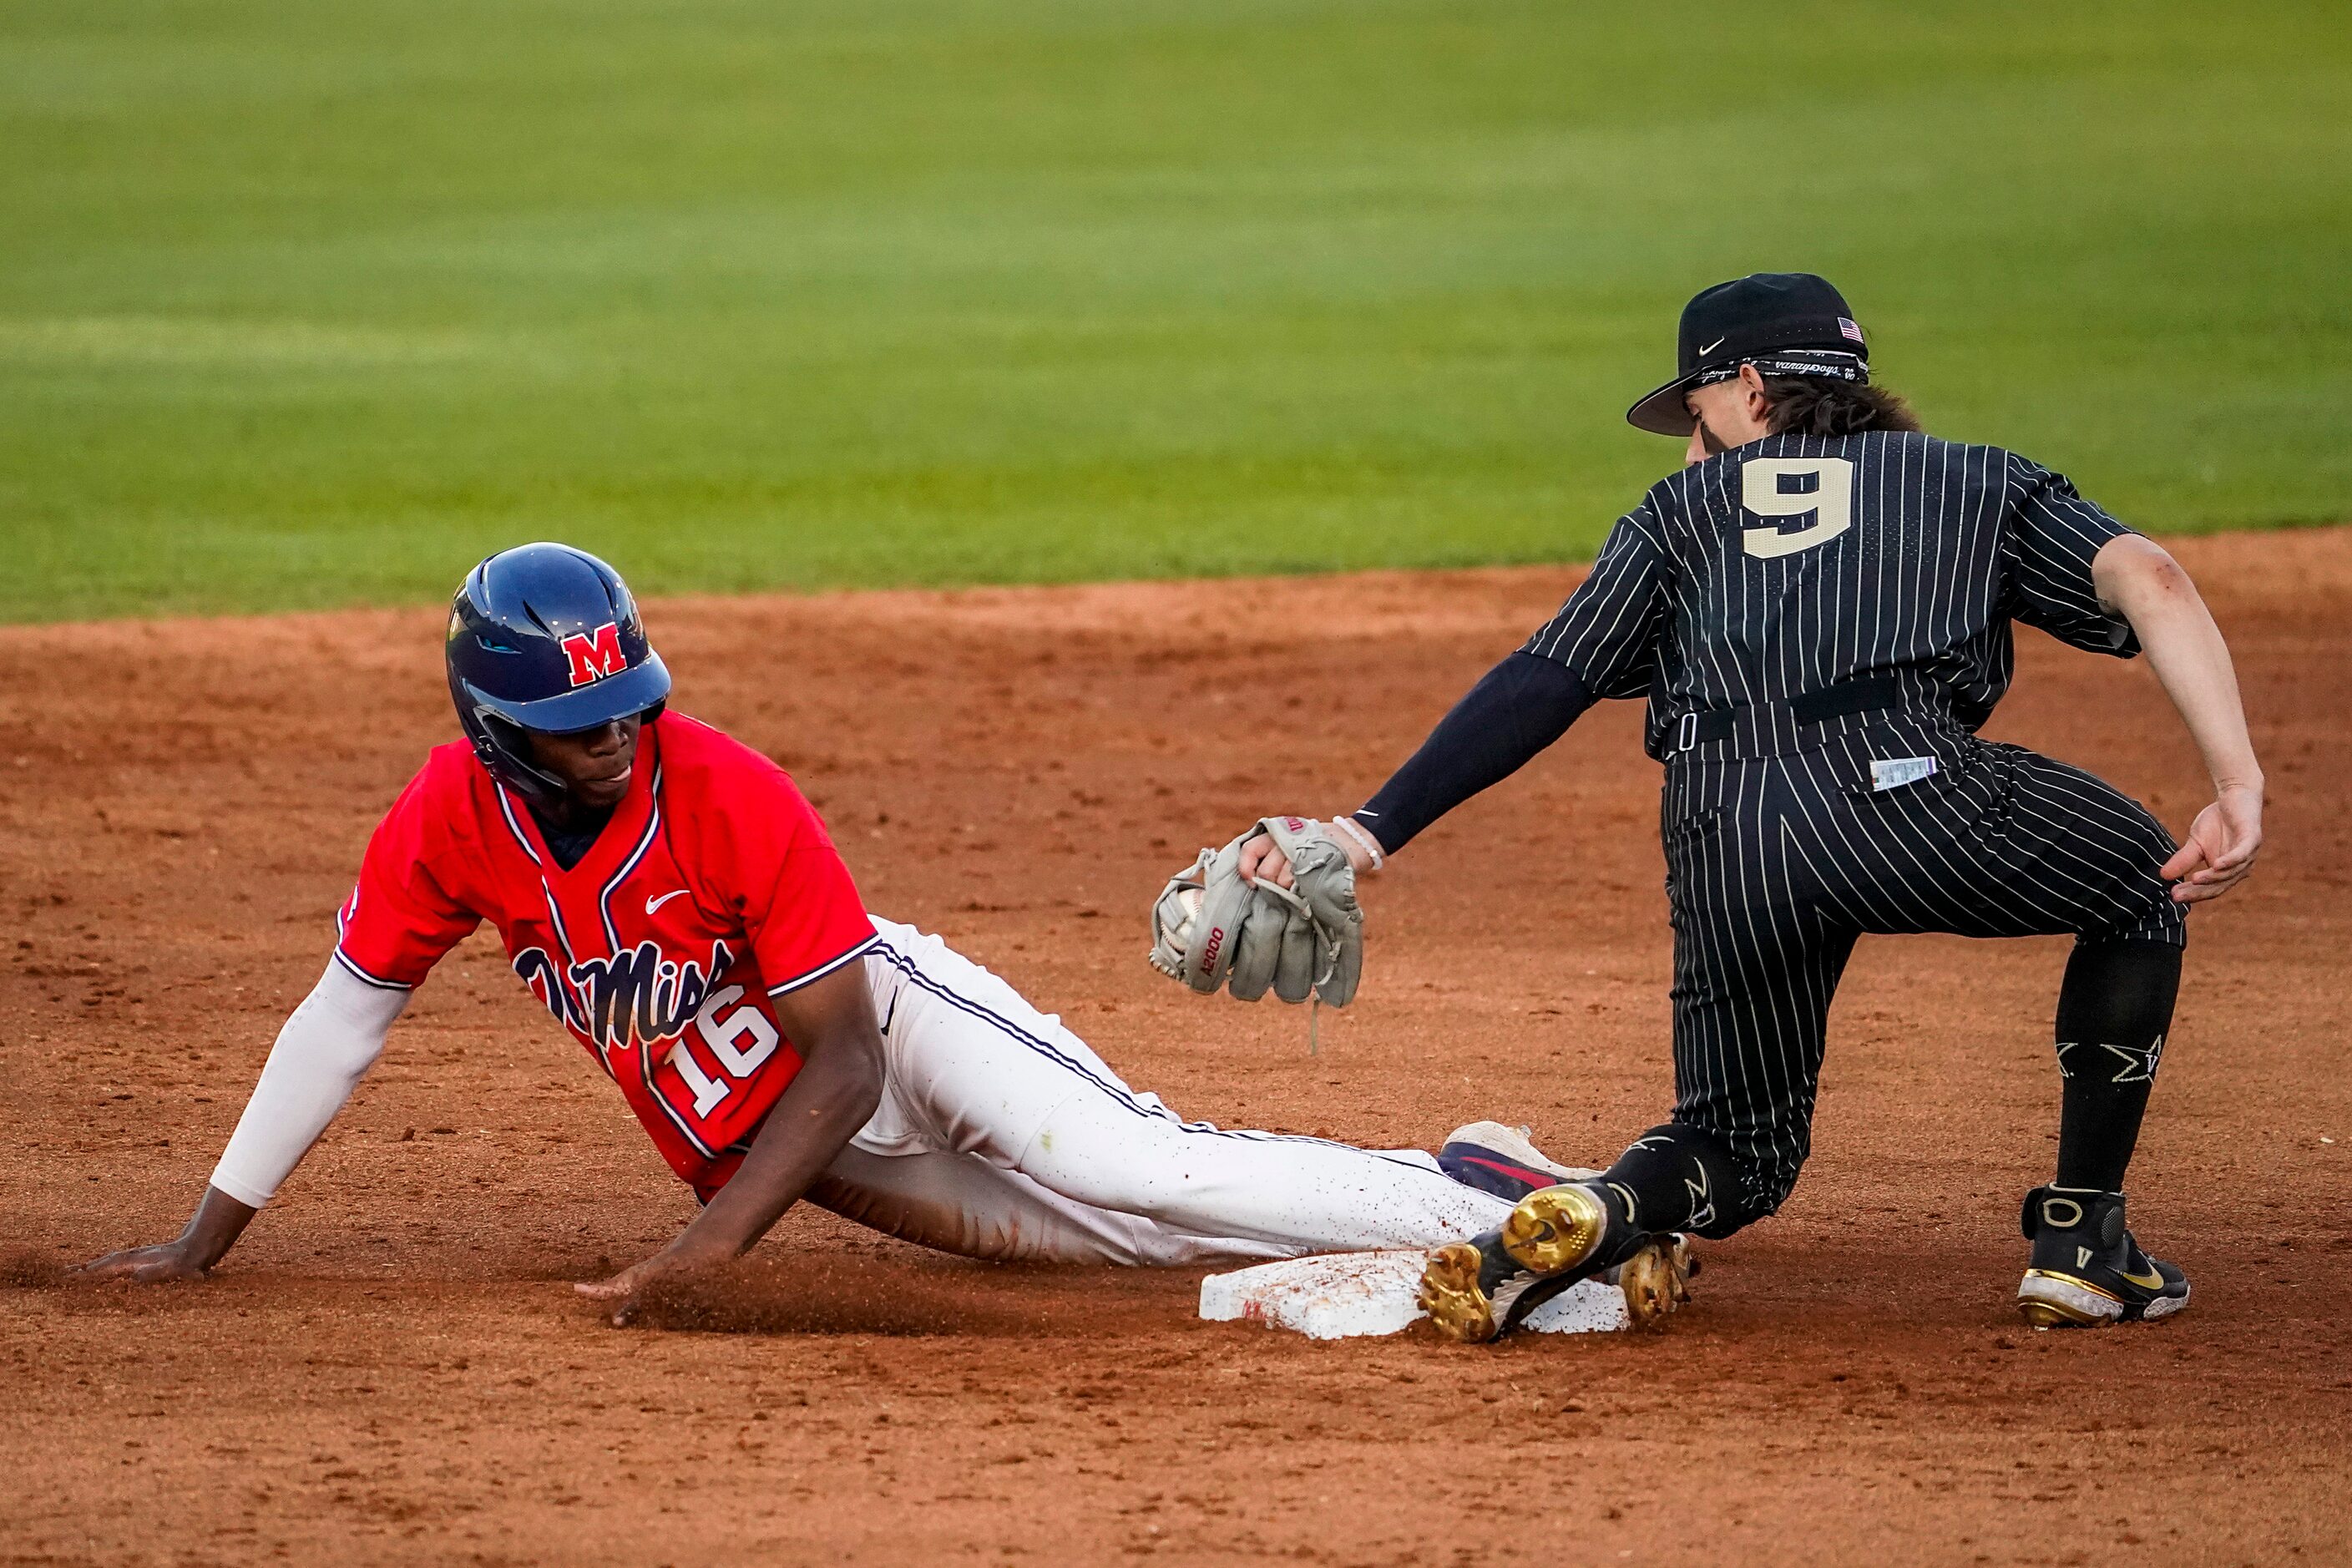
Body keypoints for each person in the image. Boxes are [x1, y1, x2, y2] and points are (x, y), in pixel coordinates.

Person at [80, 544, 1625, 1321]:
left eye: (630, 706)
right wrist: (207, 1235)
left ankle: (1558, 1213)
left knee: (1135, 1165)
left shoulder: (727, 789)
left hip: (878, 1034)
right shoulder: (444, 822)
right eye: (576, 724)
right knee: (1138, 1249)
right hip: (780, 1136)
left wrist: (706, 1251)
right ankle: (1476, 1193)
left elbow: (848, 1053)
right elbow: (342, 1016)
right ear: (493, 728)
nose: (615, 737)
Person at [1231, 274, 2262, 1341]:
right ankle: (2083, 1243)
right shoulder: (1977, 483)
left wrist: (1368, 829)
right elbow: (2153, 581)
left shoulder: (1681, 513)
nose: (1688, 443)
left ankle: (1607, 1205)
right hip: (1914, 796)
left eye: (1697, 410)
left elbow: (1546, 679)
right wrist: (2235, 784)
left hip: (1725, 832)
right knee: (2142, 876)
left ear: (1756, 388)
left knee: (1738, 1147)